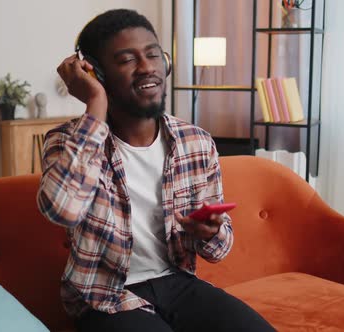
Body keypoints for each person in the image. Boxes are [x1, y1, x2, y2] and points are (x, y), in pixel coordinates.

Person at [38, 8, 274, 332]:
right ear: (96, 74)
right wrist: (94, 103)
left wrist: (208, 233)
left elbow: (220, 249)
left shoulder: (197, 142)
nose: (148, 67)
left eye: (152, 54)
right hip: (104, 298)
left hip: (177, 284)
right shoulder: (66, 142)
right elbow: (62, 209)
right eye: (127, 60)